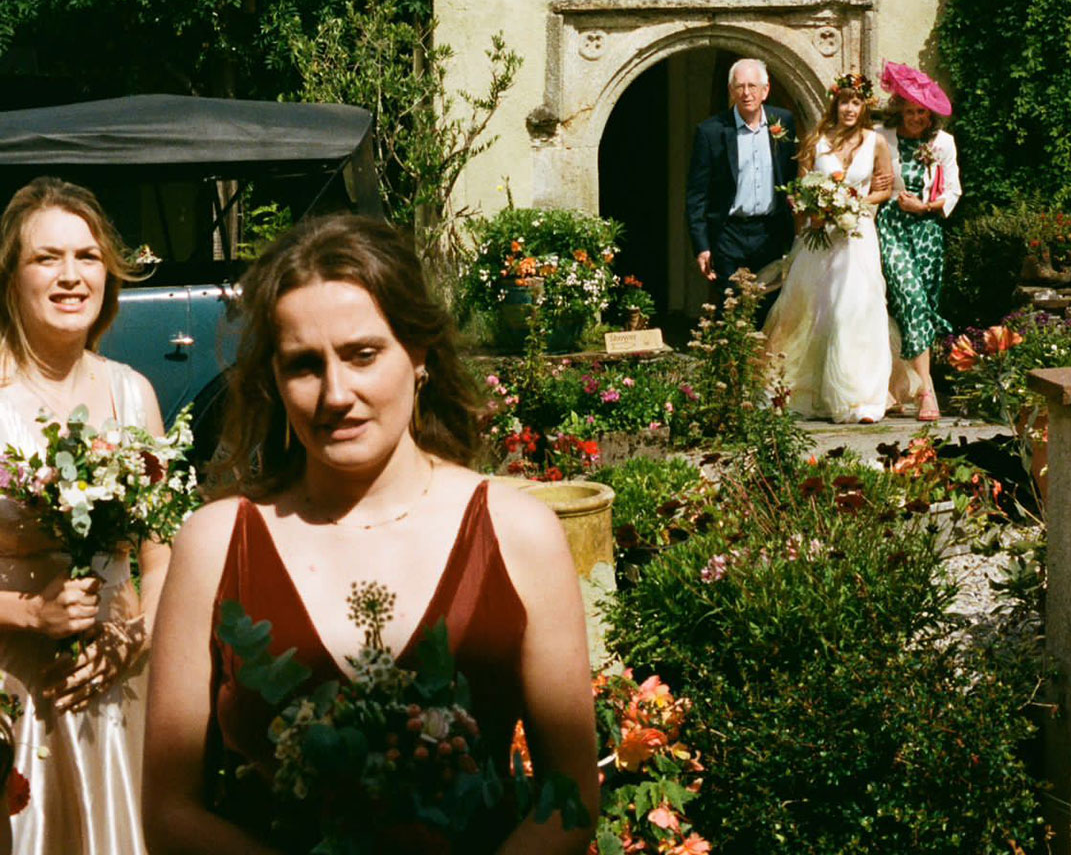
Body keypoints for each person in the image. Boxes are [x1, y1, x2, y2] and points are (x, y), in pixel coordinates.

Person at [143, 214, 599, 855]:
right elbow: (169, 811)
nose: (336, 393)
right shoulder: (215, 545)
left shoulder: (520, 534)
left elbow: (570, 794)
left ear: (419, 356)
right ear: (274, 381)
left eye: (362, 354)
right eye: (304, 365)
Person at [0, 176, 170, 855]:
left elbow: (161, 555)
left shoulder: (135, 394)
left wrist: (138, 636)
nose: (71, 275)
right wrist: (28, 613)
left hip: (119, 688)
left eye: (88, 256)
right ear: (11, 275)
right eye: (47, 258)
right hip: (14, 693)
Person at [763, 73, 894, 423]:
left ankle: (857, 398)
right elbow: (801, 191)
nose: (849, 108)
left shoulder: (875, 141)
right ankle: (808, 392)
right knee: (813, 311)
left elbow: (886, 187)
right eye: (844, 101)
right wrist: (814, 211)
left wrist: (858, 202)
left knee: (852, 311)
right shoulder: (816, 140)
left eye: (856, 102)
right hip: (821, 237)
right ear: (834, 103)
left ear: (864, 105)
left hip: (858, 236)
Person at [874, 62, 962, 423]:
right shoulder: (884, 137)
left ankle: (898, 388)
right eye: (909, 111)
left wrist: (924, 205)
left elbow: (954, 190)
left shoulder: (943, 143)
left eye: (921, 112)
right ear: (899, 111)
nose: (915, 118)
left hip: (927, 231)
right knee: (909, 299)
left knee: (919, 307)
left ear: (930, 114)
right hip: (891, 228)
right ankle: (927, 391)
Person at [684, 58, 798, 306]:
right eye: (740, 87)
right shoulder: (711, 131)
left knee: (769, 307)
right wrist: (701, 246)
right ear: (731, 91)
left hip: (771, 232)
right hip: (729, 234)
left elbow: (792, 173)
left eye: (752, 86)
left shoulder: (784, 122)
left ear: (765, 91)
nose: (747, 93)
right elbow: (697, 195)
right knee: (732, 307)